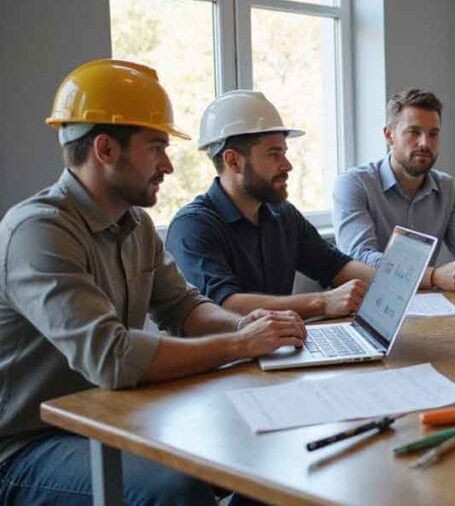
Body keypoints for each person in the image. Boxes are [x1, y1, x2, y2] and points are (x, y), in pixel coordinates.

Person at [0, 59, 306, 504]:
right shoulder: (38, 232)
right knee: (173, 489)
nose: (167, 165)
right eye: (156, 147)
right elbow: (113, 357)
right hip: (30, 446)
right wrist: (241, 345)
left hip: (114, 413)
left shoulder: (136, 225)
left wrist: (242, 326)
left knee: (262, 452)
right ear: (106, 149)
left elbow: (183, 307)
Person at [166, 91, 373, 320]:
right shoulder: (192, 227)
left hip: (278, 349)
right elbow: (223, 305)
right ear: (233, 160)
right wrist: (322, 302)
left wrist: (400, 288)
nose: (287, 165)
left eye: (284, 152)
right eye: (274, 154)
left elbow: (336, 267)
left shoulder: (283, 215)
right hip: (228, 355)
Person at [332, 88, 455, 291]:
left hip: (427, 305)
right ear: (389, 135)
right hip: (364, 304)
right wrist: (433, 276)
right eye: (414, 132)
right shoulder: (354, 184)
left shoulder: (447, 187)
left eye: (433, 134)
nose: (425, 143)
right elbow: (359, 259)